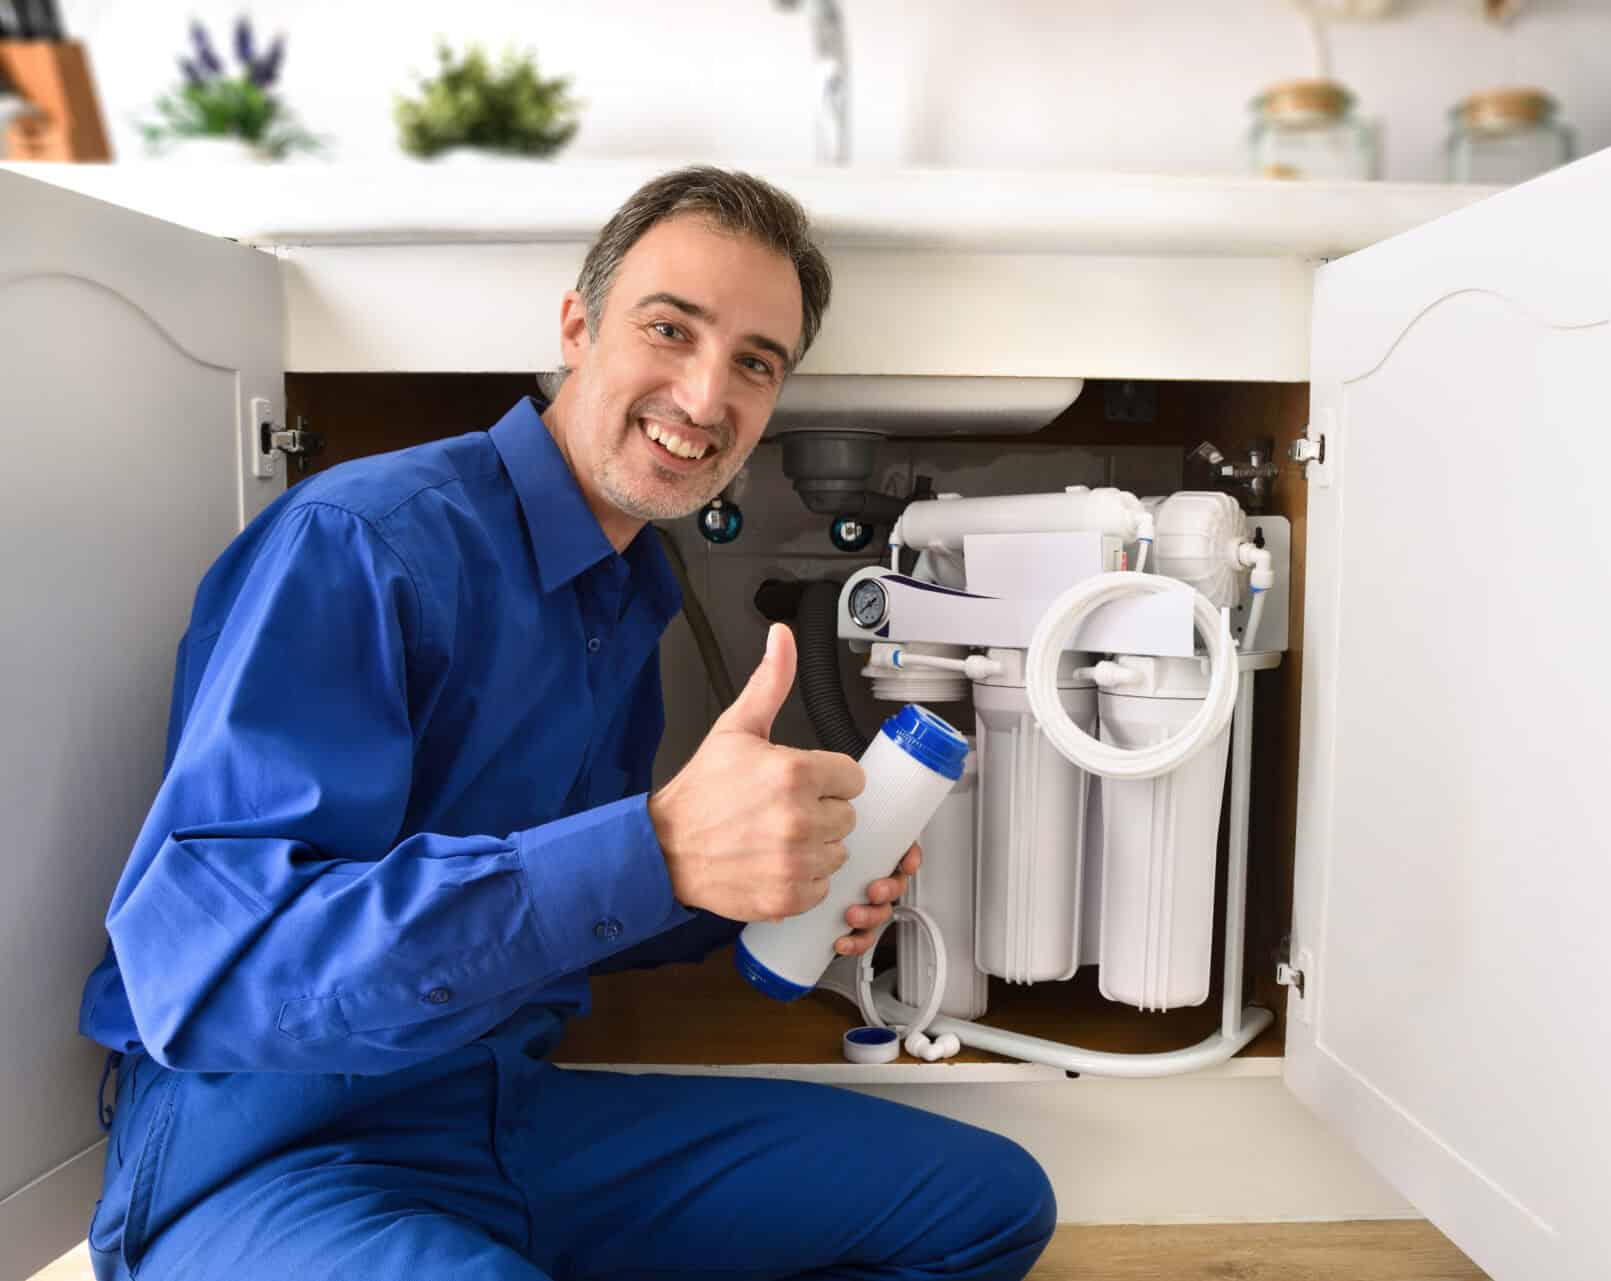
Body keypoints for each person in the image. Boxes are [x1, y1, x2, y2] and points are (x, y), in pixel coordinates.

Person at [77, 166, 1056, 1281]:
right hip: (267, 1145)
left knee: (984, 1206)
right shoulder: (365, 544)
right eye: (669, 329)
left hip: (500, 1114)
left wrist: (758, 876)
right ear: (577, 328)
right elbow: (212, 976)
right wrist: (661, 847)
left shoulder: (624, 587)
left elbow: (564, 899)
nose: (703, 397)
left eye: (753, 363)